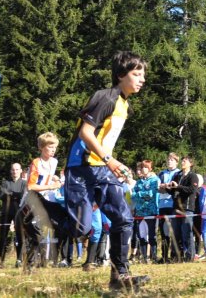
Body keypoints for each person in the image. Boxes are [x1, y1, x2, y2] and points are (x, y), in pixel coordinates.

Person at [63, 51, 150, 292]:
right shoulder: (105, 97)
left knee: (123, 219)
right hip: (81, 168)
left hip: (102, 169)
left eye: (143, 74)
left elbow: (103, 139)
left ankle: (120, 276)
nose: (142, 79)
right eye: (137, 74)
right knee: (80, 229)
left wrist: (114, 164)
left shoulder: (124, 104)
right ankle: (35, 210)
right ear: (121, 75)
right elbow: (85, 133)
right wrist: (110, 160)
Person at [17, 132, 66, 269]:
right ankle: (29, 263)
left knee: (62, 221)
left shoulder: (54, 162)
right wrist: (51, 186)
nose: (53, 150)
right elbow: (31, 186)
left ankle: (57, 258)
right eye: (50, 147)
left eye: (55, 147)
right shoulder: (36, 163)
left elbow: (47, 176)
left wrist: (55, 178)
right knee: (35, 235)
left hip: (45, 199)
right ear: (41, 148)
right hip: (31, 200)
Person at [168, 156, 199, 261]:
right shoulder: (177, 175)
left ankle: (190, 256)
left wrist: (178, 186)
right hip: (176, 207)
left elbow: (192, 189)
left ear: (190, 164)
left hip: (187, 208)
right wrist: (167, 187)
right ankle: (176, 256)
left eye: (185, 161)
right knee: (175, 233)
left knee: (187, 232)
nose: (182, 162)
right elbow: (173, 190)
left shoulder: (193, 176)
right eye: (182, 161)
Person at [0, 162, 26, 267]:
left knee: (20, 236)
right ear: (10, 171)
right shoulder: (5, 183)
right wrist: (15, 195)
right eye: (13, 169)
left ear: (21, 171)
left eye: (17, 169)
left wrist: (10, 194)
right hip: (6, 212)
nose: (15, 172)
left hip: (19, 213)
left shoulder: (24, 183)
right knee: (3, 237)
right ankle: (2, 261)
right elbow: (2, 195)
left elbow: (23, 195)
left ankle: (19, 260)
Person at [132, 160, 160, 263]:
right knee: (141, 235)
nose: (143, 169)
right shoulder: (138, 182)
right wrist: (141, 194)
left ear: (150, 169)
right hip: (140, 212)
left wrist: (139, 194)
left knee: (151, 235)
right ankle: (144, 258)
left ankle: (154, 257)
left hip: (150, 211)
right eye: (142, 167)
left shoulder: (155, 180)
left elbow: (151, 194)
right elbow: (133, 195)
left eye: (145, 167)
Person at [157, 152, 180, 263]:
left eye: (172, 160)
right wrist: (166, 187)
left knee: (174, 231)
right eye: (168, 160)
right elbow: (158, 188)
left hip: (174, 205)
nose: (169, 161)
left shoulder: (179, 173)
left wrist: (166, 186)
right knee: (164, 232)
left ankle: (175, 255)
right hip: (162, 205)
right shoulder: (161, 173)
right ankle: (164, 256)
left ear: (176, 162)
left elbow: (176, 188)